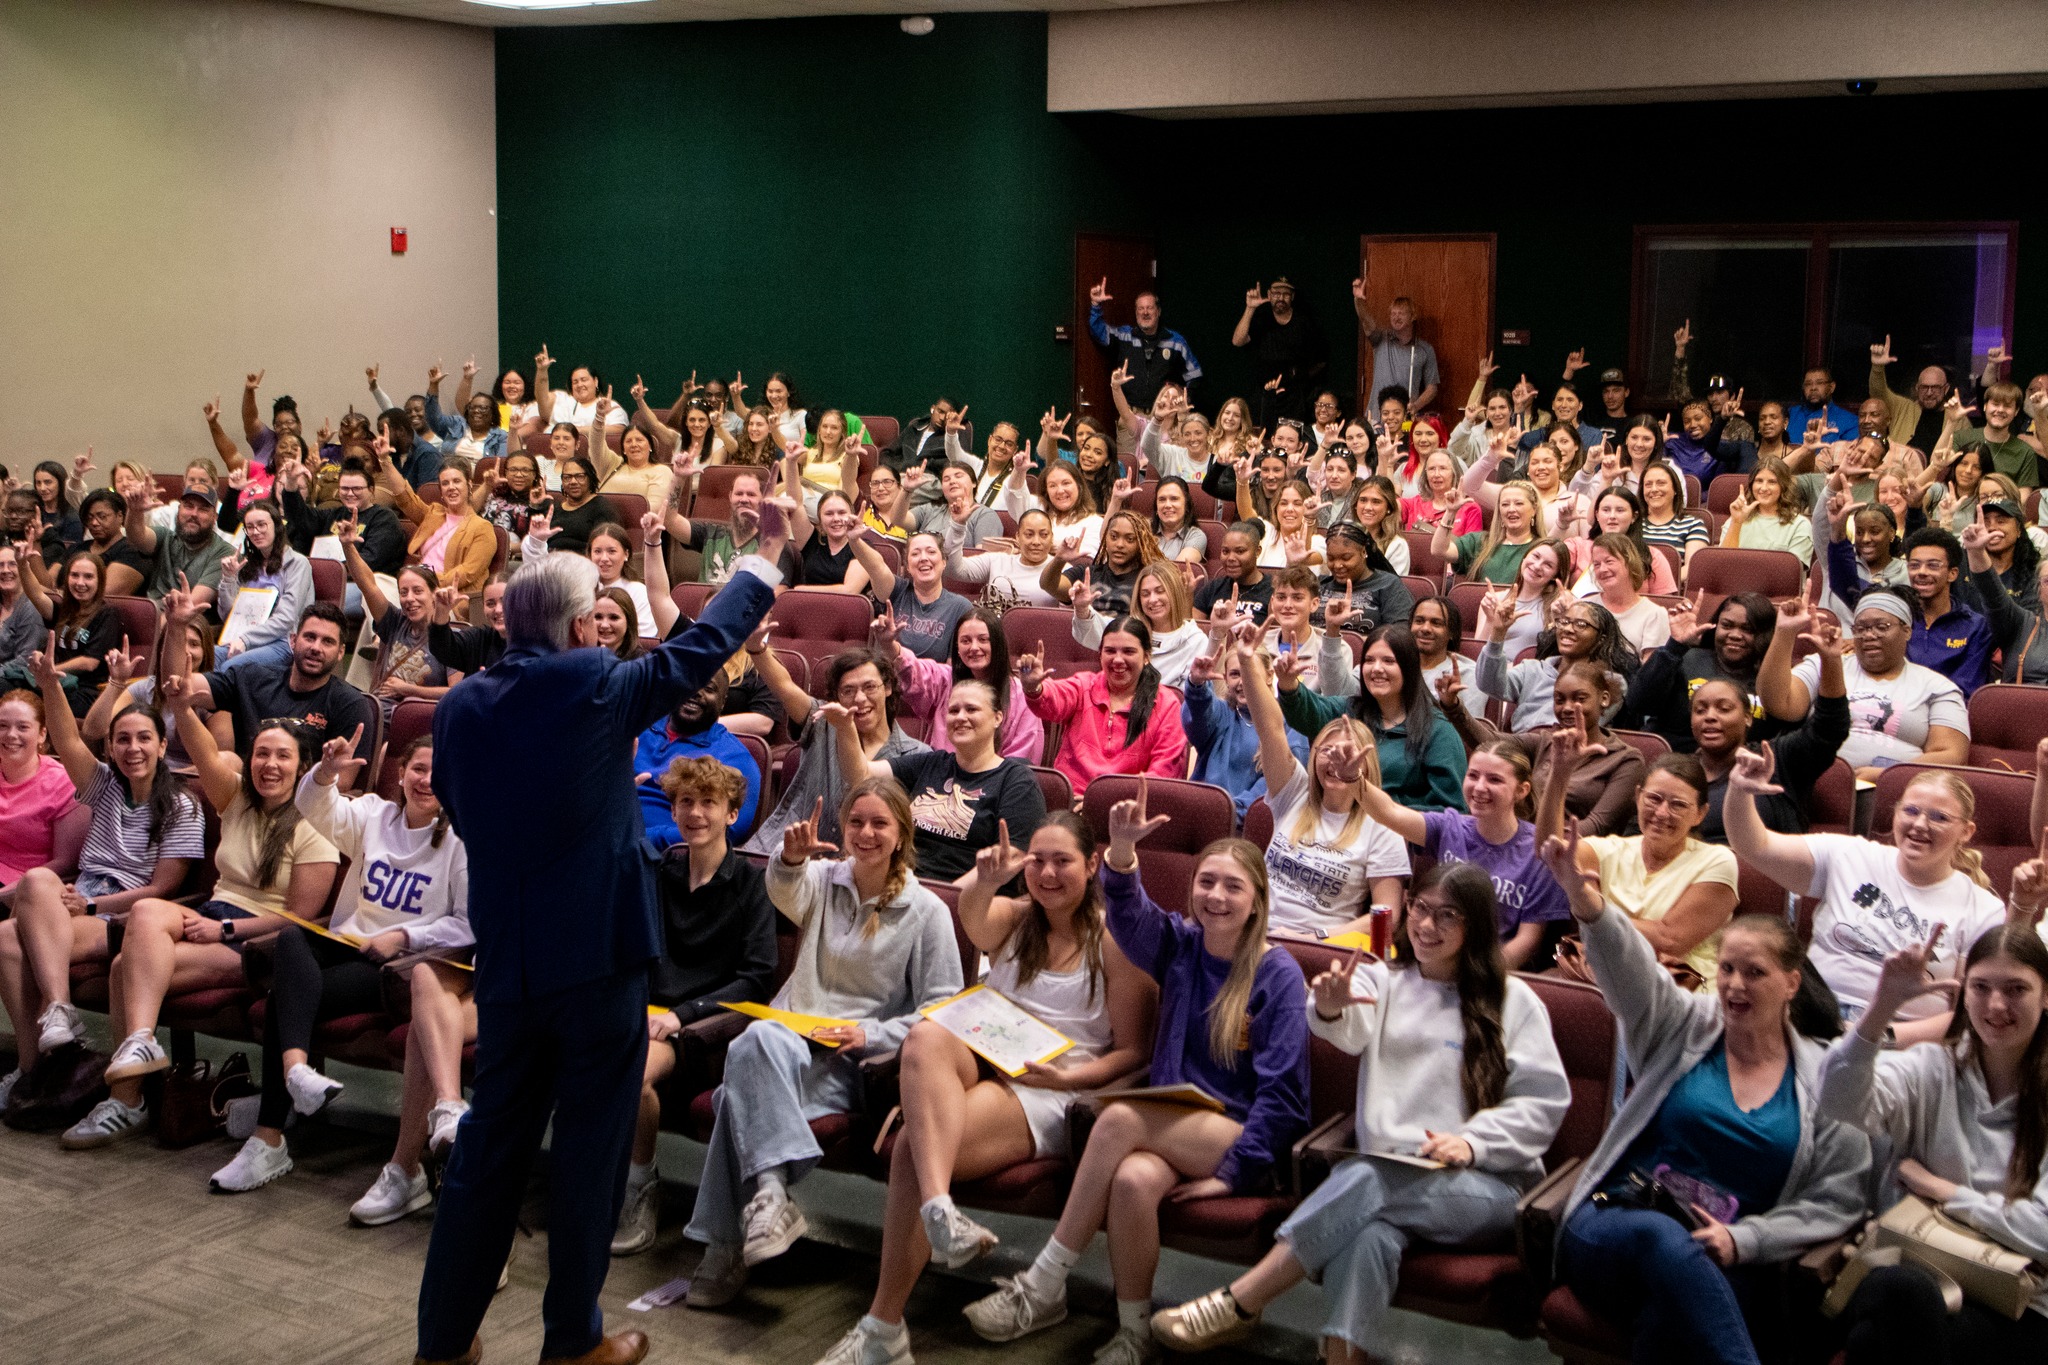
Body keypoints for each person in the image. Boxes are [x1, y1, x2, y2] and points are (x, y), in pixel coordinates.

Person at [412, 517, 783, 1365]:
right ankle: (572, 1341)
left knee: (486, 1153)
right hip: (602, 965)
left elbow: (463, 816)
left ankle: (442, 1343)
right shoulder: (596, 685)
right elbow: (704, 647)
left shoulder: (461, 704)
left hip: (509, 961)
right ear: (583, 628)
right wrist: (763, 554)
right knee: (588, 1153)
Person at [1153, 861, 1570, 1359]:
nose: (1426, 926)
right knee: (1366, 1239)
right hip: (1393, 1180)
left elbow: (1543, 1101)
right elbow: (1347, 1029)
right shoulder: (1385, 980)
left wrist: (1474, 1142)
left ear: (1475, 925)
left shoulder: (1515, 999)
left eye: (1447, 916)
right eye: (1420, 909)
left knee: (1370, 1179)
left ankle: (1242, 1300)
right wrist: (1328, 1007)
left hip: (1489, 1187)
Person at [963, 783, 1308, 1365]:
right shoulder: (1182, 946)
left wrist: (1234, 1172)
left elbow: (1285, 1100)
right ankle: (1134, 1331)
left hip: (1239, 1133)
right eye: (1206, 882)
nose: (1216, 896)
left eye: (1232, 886)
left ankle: (1046, 1279)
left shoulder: (1279, 975)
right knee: (1130, 1183)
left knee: (1119, 1117)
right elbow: (1129, 913)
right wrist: (1121, 853)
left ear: (1257, 900)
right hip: (1173, 1118)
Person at [816, 811, 1157, 1365]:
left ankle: (883, 1326)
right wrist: (989, 878)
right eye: (1037, 861)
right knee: (925, 1037)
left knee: (911, 1147)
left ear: (1092, 865)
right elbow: (973, 914)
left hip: (1054, 1086)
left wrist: (1068, 1078)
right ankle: (940, 1214)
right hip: (990, 1057)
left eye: (1062, 861)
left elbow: (1133, 1054)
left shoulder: (1118, 939)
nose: (1046, 874)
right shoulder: (1017, 918)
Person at [1537, 823, 1871, 1365]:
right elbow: (1631, 973)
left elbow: (1838, 1198)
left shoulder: (1822, 1079)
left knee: (1673, 1324)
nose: (1736, 985)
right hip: (1619, 1223)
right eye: (1728, 970)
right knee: (1665, 1243)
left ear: (1791, 983)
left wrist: (1751, 1240)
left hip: (1731, 1255)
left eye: (1755, 973)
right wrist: (1588, 904)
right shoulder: (1685, 1027)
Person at [684, 780, 964, 1309]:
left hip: (853, 1061)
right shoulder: (821, 879)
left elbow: (941, 1012)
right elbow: (785, 892)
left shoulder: (927, 912)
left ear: (902, 834)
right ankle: (769, 1197)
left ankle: (723, 1251)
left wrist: (872, 1034)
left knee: (734, 1097)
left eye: (879, 823)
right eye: (856, 821)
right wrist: (788, 861)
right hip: (788, 1040)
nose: (865, 833)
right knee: (757, 1040)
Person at [69, 689, 339, 1151]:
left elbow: (300, 920)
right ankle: (139, 1049)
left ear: (303, 767)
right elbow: (202, 750)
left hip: (261, 944)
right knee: (149, 913)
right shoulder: (238, 802)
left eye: (283, 757)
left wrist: (226, 930)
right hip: (211, 916)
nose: (269, 765)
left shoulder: (321, 825)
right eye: (261, 754)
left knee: (122, 969)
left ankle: (128, 1099)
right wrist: (178, 706)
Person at [215, 727, 470, 1196]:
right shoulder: (375, 815)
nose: (426, 780)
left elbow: (468, 924)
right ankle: (297, 1071)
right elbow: (313, 806)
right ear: (401, 772)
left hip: (399, 967)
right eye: (418, 768)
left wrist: (405, 934)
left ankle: (268, 1137)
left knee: (282, 1001)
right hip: (346, 944)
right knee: (292, 939)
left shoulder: (461, 840)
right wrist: (327, 771)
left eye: (439, 772)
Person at [1819, 919, 2048, 1362]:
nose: (1996, 1005)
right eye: (1981, 987)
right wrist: (1882, 1005)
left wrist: (1942, 1191)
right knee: (1896, 1296)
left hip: (2019, 1304)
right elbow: (1838, 1102)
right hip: (1920, 1273)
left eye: (2017, 989)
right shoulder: (1931, 1067)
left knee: (1879, 1326)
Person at [0, 648, 203, 1105]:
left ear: (163, 745)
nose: (133, 749)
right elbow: (71, 741)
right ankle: (39, 1056)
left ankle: (44, 1049)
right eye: (123, 740)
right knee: (30, 891)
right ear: (111, 747)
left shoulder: (183, 805)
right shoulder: (105, 784)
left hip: (122, 912)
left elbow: (164, 888)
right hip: (82, 892)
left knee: (12, 937)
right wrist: (51, 685)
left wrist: (90, 906)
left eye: (143, 739)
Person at [1725, 749, 2016, 1043]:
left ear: (1966, 832)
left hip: (1902, 1040)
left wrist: (1873, 1035)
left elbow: (1969, 1012)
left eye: (1939, 817)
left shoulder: (1983, 907)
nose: (1919, 825)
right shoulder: (1849, 855)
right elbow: (1754, 845)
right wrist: (1739, 791)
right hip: (1813, 1018)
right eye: (1911, 811)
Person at [613, 756, 777, 1257]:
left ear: (732, 813)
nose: (696, 813)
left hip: (704, 1029)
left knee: (629, 1075)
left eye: (709, 803)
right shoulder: (663, 870)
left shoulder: (752, 882)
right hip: (646, 1014)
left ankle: (640, 1184)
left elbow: (757, 976)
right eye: (686, 802)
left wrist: (682, 1014)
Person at [1230, 641, 1407, 937]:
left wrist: (1314, 939)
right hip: (1254, 934)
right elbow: (1270, 727)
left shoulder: (1383, 828)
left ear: (1367, 762)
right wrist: (1247, 661)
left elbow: (1384, 922)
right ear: (1313, 757)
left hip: (1321, 950)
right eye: (1327, 750)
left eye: (1347, 752)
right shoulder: (1294, 792)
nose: (1336, 759)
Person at [1542, 733, 1738, 991]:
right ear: (1637, 797)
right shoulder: (1611, 849)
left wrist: (1590, 907)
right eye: (1654, 799)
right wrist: (1559, 774)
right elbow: (1550, 851)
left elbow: (1668, 940)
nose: (1661, 813)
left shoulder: (1718, 860)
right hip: (1603, 980)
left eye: (1678, 805)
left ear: (1700, 814)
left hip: (1679, 992)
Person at [1363, 739, 1570, 970]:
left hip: (1494, 974)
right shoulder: (1450, 826)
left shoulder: (1538, 849)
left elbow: (1528, 940)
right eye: (1473, 776)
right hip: (1436, 961)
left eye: (1494, 779)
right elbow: (1388, 812)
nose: (1480, 787)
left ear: (1521, 790)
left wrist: (1477, 977)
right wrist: (1354, 780)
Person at [828, 676, 1046, 884]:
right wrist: (845, 728)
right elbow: (861, 776)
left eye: (971, 709)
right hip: (902, 885)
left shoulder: (1016, 780)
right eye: (953, 710)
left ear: (998, 718)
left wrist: (946, 898)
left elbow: (1012, 856)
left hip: (967, 897)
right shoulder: (931, 763)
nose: (960, 717)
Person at [1759, 586, 1968, 781]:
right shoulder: (1825, 663)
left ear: (1907, 631)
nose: (1869, 635)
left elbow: (1951, 756)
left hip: (1896, 789)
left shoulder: (1937, 686)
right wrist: (1784, 633)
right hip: (1816, 779)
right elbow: (1780, 704)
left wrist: (1884, 775)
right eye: (1861, 628)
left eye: (1881, 627)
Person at [743, 642, 927, 860]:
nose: (860, 699)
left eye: (870, 687)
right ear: (837, 697)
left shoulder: (918, 756)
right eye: (848, 690)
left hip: (853, 871)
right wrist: (757, 648)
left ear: (887, 688)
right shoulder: (823, 722)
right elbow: (785, 687)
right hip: (778, 852)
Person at [1688, 593, 1849, 841]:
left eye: (1724, 708)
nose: (1710, 717)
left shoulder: (1777, 762)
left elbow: (1829, 730)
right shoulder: (1680, 772)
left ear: (1748, 718)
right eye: (1700, 710)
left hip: (1763, 874)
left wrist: (1830, 661)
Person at [1278, 624, 1467, 812]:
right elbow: (1307, 712)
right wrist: (1288, 684)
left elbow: (1452, 810)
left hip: (1397, 835)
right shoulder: (1349, 710)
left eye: (1388, 661)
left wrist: (1391, 816)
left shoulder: (1438, 731)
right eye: (1369, 660)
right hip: (1339, 824)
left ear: (1409, 667)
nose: (1376, 668)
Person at [1021, 617, 1188, 796]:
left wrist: (1103, 803)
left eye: (1128, 651)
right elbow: (1052, 699)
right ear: (1100, 654)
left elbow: (1163, 774)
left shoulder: (1167, 704)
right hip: (1072, 802)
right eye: (1110, 651)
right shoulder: (1083, 685)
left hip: (1128, 808)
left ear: (1147, 656)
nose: (1117, 659)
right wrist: (1034, 688)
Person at [1182, 633, 1309, 821]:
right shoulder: (1221, 713)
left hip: (1254, 823)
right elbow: (1196, 718)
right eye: (1235, 674)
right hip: (1201, 817)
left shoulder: (1291, 722)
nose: (1243, 682)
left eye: (1251, 673)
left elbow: (1280, 785)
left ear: (1269, 676)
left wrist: (1230, 813)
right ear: (1225, 678)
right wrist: (1197, 685)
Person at [891, 605, 1041, 761]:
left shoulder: (1022, 695)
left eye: (983, 640)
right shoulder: (945, 679)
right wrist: (891, 646)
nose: (974, 647)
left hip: (998, 781)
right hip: (942, 777)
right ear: (956, 647)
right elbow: (913, 672)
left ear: (997, 644)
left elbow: (1020, 764)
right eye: (965, 641)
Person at [633, 672, 760, 849]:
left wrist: (642, 839)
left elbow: (728, 831)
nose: (696, 691)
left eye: (709, 688)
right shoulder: (635, 727)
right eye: (688, 682)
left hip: (668, 858)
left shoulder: (735, 758)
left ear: (722, 703)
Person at [1477, 596, 1634, 732]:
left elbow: (1584, 726)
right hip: (1521, 752)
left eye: (1580, 624)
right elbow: (1488, 685)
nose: (1567, 629)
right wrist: (1498, 633)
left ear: (1601, 639)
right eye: (1564, 622)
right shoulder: (1532, 669)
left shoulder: (1610, 682)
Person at [340, 535, 457, 716]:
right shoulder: (395, 623)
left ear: (434, 593)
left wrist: (408, 690)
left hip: (415, 720)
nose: (410, 598)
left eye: (418, 591)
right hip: (376, 715)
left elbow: (456, 693)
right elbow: (367, 584)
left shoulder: (453, 639)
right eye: (404, 592)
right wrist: (347, 546)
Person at [1530, 661, 1646, 837]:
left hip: (1578, 850)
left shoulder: (1626, 759)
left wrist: (1538, 839)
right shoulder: (1546, 740)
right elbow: (1490, 743)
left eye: (1579, 699)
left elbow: (1596, 826)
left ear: (1604, 699)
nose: (1568, 708)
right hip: (1528, 841)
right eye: (1559, 700)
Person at [1073, 559, 1204, 691]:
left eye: (1160, 591)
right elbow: (1092, 627)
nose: (1152, 600)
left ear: (1174, 593)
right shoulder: (1130, 629)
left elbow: (1192, 697)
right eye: (1145, 594)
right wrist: (1082, 608)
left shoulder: (1194, 640)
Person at [20, 547, 118, 713]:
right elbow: (35, 594)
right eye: (74, 575)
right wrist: (22, 564)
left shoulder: (107, 613)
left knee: (32, 703)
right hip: (54, 683)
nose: (80, 583)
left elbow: (89, 663)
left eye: (88, 577)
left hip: (84, 691)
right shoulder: (63, 610)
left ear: (99, 581)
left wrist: (49, 669)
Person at [1090, 279, 1201, 412]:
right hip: (1130, 416)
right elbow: (1098, 331)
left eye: (1150, 308)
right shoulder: (1124, 336)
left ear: (1158, 311)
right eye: (1141, 308)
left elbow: (1195, 375)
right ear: (1136, 312)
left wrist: (1184, 400)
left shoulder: (1176, 341)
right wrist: (1095, 304)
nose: (1145, 312)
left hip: (1164, 416)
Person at [1233, 277, 1328, 426]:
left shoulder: (1304, 323)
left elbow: (1320, 361)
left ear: (1292, 297)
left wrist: (1300, 378)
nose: (1281, 298)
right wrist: (1250, 308)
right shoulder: (1262, 319)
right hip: (1264, 393)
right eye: (1276, 294)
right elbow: (1238, 341)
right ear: (1269, 295)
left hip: (1294, 397)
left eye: (1286, 294)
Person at [868, 532, 973, 663]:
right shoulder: (897, 590)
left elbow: (951, 671)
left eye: (931, 552)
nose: (923, 558)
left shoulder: (960, 607)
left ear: (944, 562)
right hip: (886, 679)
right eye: (915, 554)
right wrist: (854, 540)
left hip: (932, 682)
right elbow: (875, 566)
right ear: (907, 567)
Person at [1352, 277, 1441, 414]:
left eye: (1401, 313)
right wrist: (1359, 301)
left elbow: (1432, 388)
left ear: (1412, 316)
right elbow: (1365, 320)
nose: (1396, 317)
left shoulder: (1425, 349)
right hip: (1377, 417)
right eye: (1393, 313)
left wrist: (1416, 405)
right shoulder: (1381, 339)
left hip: (1404, 419)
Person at [945, 507, 1061, 608]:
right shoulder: (997, 561)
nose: (1036, 542)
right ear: (1017, 537)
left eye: (1044, 535)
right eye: (1029, 535)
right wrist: (957, 527)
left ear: (1051, 538)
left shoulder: (1062, 569)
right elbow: (954, 570)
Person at [1435, 484, 1544, 586]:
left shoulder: (1542, 548)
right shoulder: (1479, 541)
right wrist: (1450, 512)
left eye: (1518, 503)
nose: (1511, 509)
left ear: (1534, 509)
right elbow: (1439, 550)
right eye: (1505, 504)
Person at [1581, 534, 1670, 657]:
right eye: (1596, 564)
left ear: (1630, 563)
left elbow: (1651, 672)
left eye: (1609, 561)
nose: (1602, 569)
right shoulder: (1584, 607)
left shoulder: (1654, 614)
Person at [1720, 456, 1813, 564]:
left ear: (1783, 486)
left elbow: (1792, 573)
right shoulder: (1735, 519)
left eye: (1772, 482)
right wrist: (1736, 522)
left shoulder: (1800, 525)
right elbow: (1723, 563)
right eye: (1759, 481)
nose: (1764, 488)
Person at [1191, 524, 1273, 626]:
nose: (1230, 558)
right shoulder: (1213, 588)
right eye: (1225, 551)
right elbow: (1191, 630)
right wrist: (1186, 595)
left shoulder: (1273, 589)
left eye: (1240, 551)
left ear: (1257, 552)